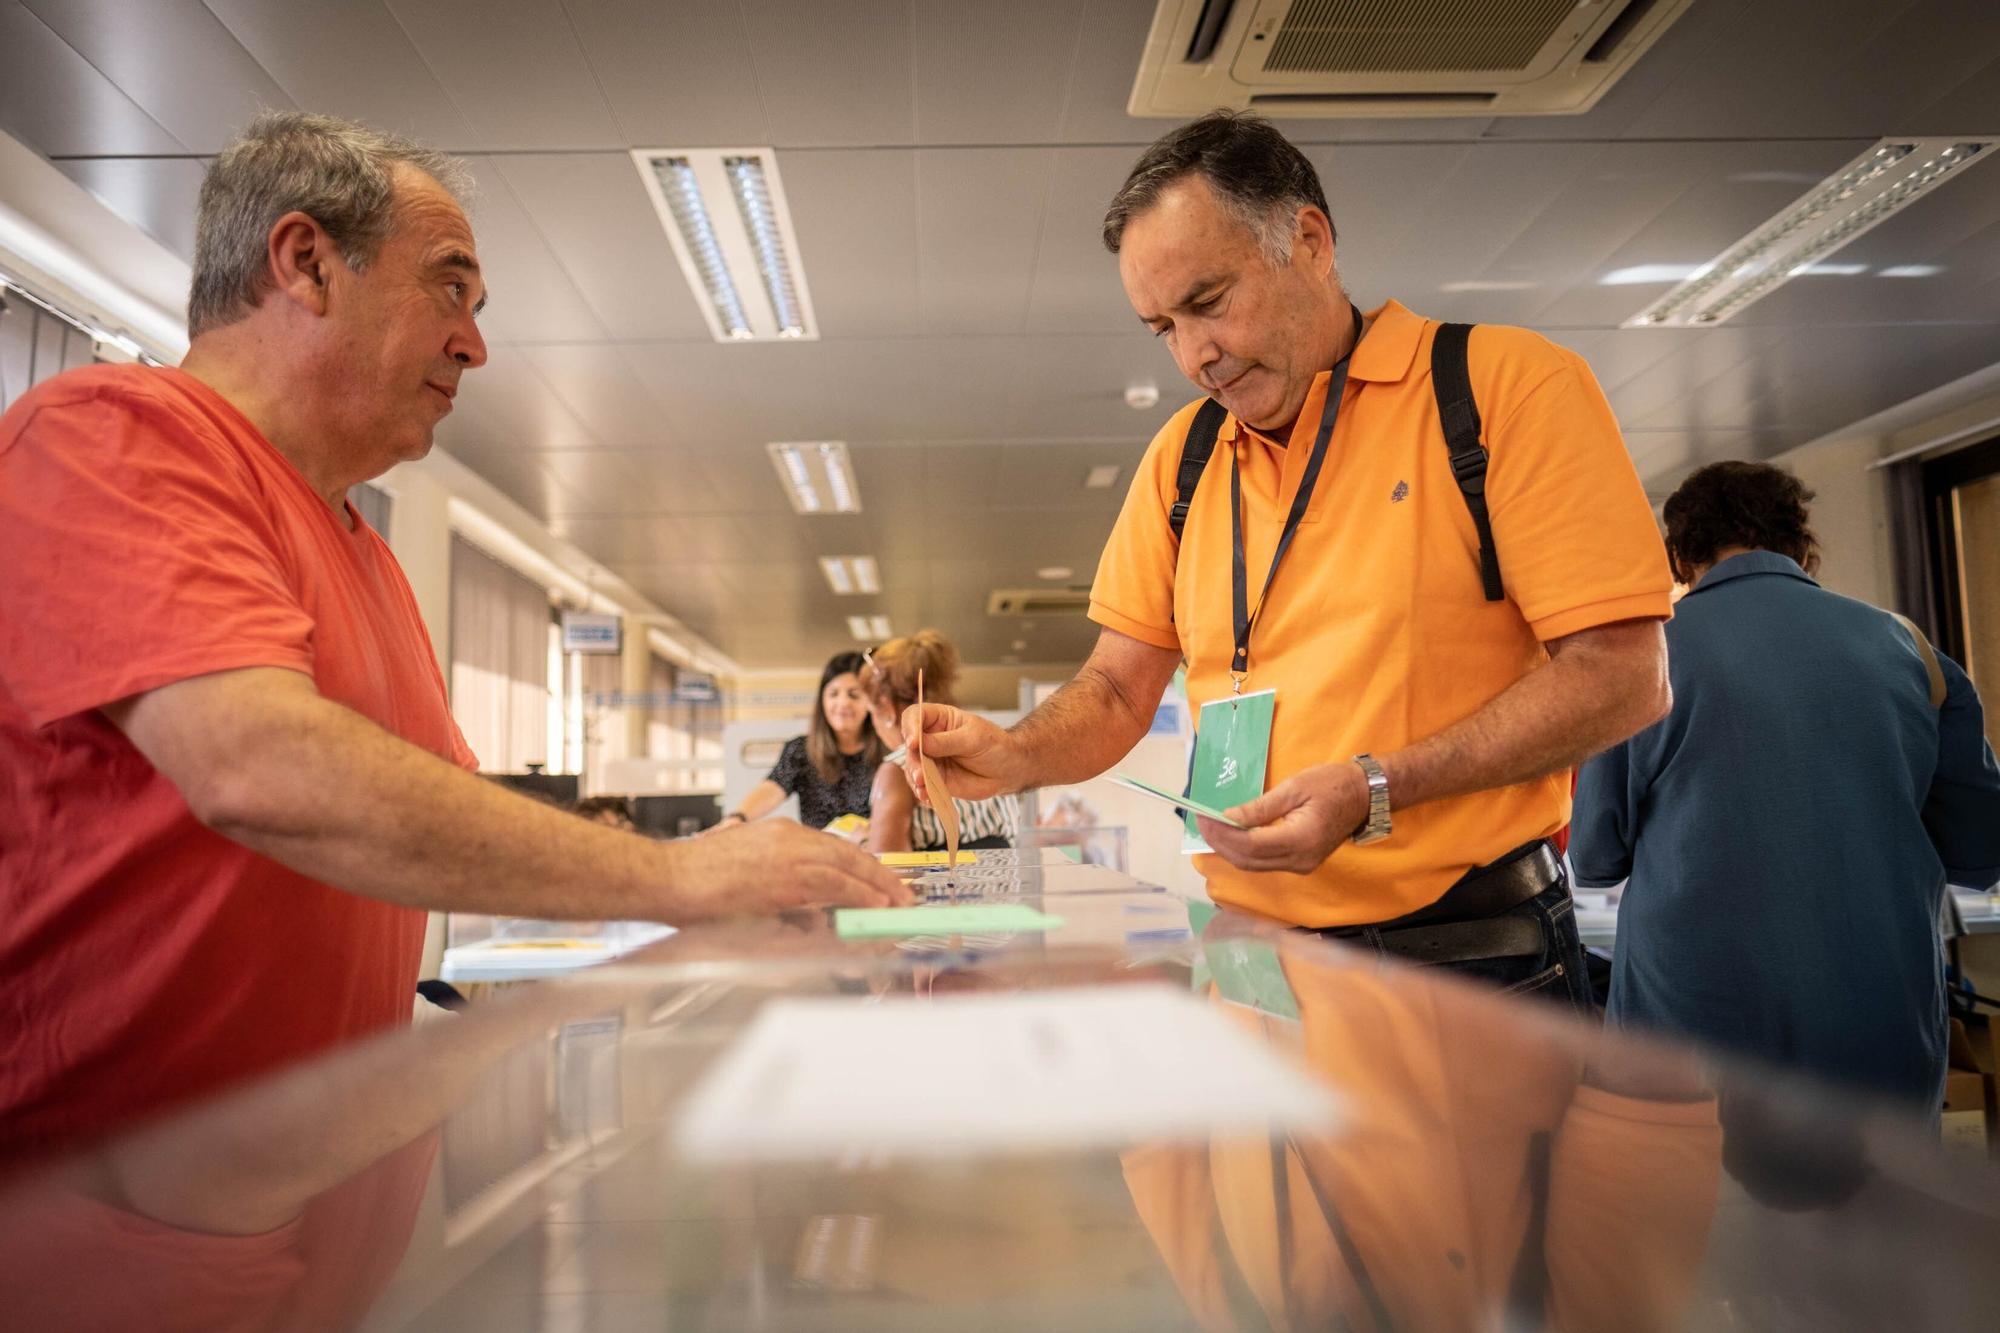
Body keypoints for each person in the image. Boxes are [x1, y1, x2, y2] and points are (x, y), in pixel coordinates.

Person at [0, 112, 906, 1157]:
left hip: (306, 1188)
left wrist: (696, 871)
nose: (474, 342)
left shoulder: (363, 550)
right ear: (306, 263)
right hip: (112, 1217)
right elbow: (258, 766)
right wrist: (681, 876)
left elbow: (437, 817)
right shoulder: (111, 434)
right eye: (449, 288)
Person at [904, 111, 1670, 1004]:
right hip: (1251, 960)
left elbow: (1625, 675)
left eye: (1208, 302)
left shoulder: (1502, 390)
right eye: (1162, 328)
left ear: (1309, 241)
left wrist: (1375, 786)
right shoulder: (1182, 459)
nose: (1196, 355)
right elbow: (1116, 690)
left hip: (1471, 957)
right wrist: (1014, 752)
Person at [1571, 461, 2000, 1110]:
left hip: (1694, 1041)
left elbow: (1596, 856)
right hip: (1882, 1031)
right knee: (1882, 1207)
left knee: (1699, 1212)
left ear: (1680, 557)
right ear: (1802, 545)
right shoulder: (1913, 651)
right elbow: (1980, 850)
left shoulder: (1645, 662)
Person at [861, 632, 1019, 854]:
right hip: (1007, 885)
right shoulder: (986, 751)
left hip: (942, 888)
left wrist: (863, 842)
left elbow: (889, 869)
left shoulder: (899, 769)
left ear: (886, 709)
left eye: (871, 712)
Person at [718, 651, 882, 832]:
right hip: (818, 856)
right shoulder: (801, 751)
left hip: (877, 855)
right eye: (833, 694)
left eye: (854, 694)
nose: (842, 703)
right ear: (822, 700)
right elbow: (773, 787)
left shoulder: (887, 751)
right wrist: (738, 817)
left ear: (869, 702)